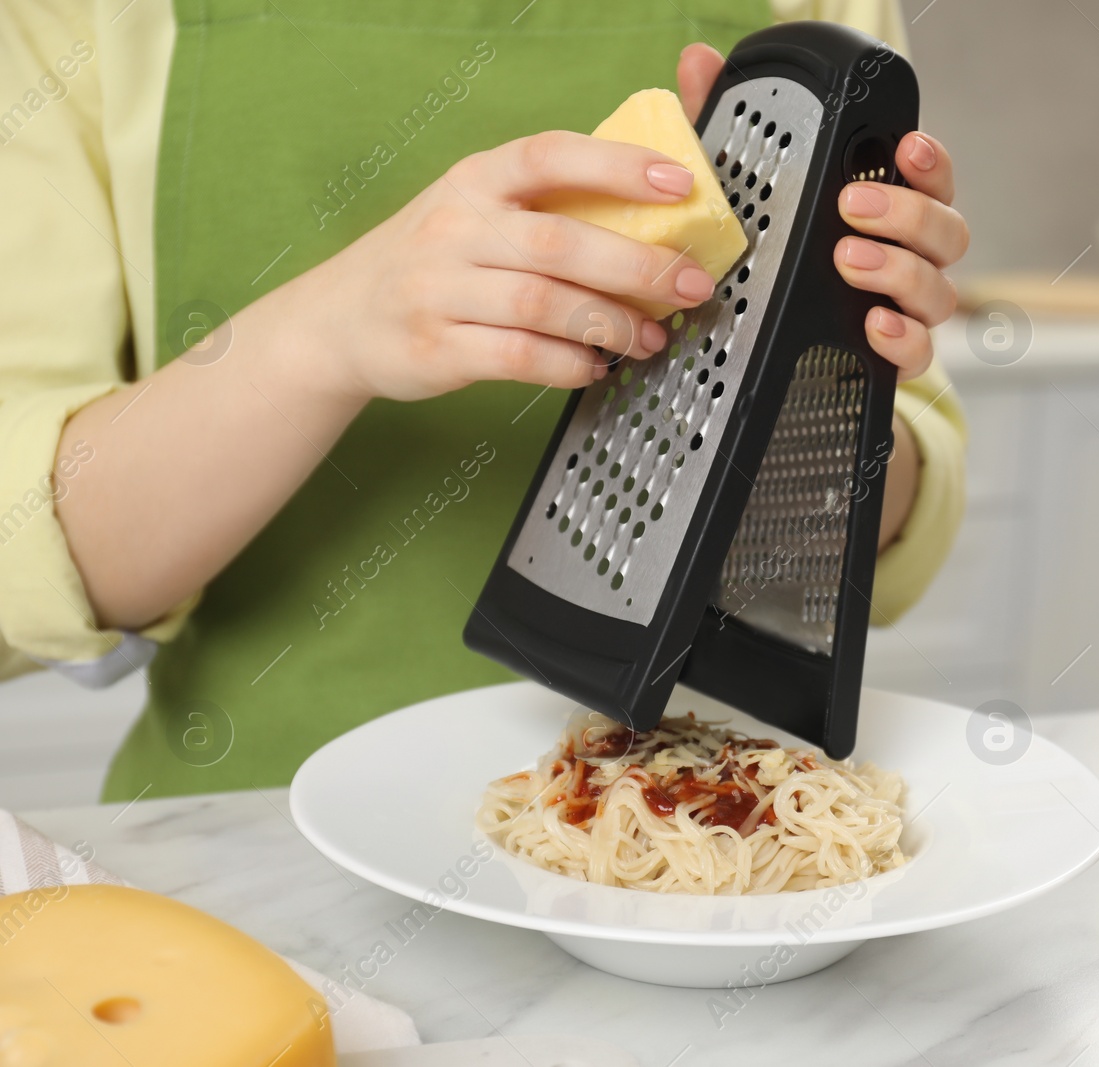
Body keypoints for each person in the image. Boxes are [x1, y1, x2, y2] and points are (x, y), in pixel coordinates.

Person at [0, 0, 969, 800]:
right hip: (249, 835)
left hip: (698, 832)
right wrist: (324, 336)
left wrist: (809, 368)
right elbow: (25, 542)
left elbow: (890, 509)